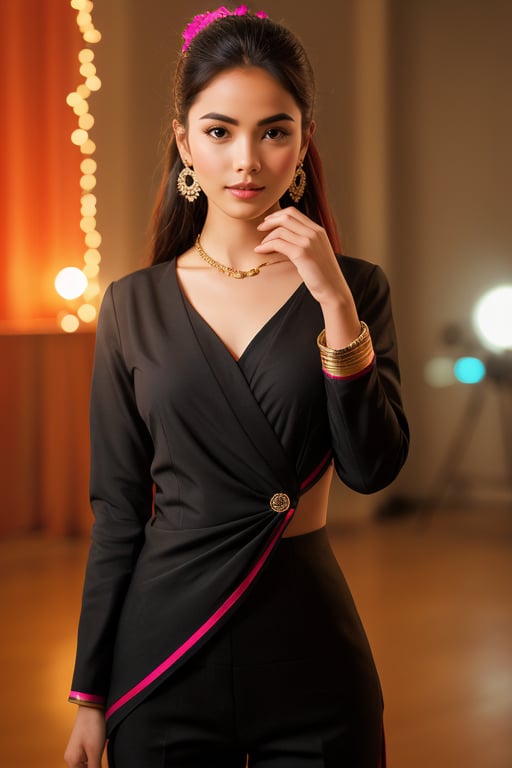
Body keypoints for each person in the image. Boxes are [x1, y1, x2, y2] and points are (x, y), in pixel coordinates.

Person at [64, 6, 409, 768]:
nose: (246, 159)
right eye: (219, 132)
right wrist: (89, 695)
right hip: (164, 654)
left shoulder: (356, 290)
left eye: (274, 130)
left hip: (312, 654)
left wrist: (334, 306)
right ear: (185, 142)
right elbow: (117, 511)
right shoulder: (132, 303)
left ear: (303, 141)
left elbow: (371, 469)